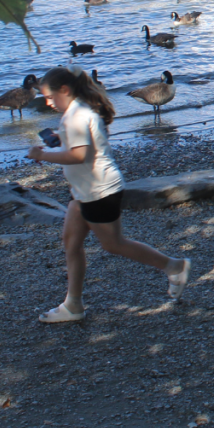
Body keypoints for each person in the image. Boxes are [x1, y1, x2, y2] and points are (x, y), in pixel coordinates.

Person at [27, 67, 190, 324]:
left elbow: (80, 156)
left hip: (99, 191)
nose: (47, 102)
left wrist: (42, 155)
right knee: (71, 243)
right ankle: (73, 305)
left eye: (49, 96)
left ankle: (175, 267)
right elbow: (82, 144)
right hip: (83, 191)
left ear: (65, 91)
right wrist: (60, 138)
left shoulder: (78, 115)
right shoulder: (76, 111)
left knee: (114, 244)